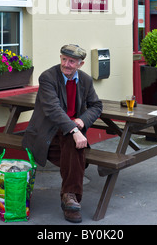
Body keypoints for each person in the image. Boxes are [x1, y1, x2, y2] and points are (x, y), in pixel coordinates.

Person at [22, 44, 102, 223]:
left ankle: (69, 197)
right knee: (76, 148)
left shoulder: (85, 80)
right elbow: (53, 109)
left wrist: (82, 120)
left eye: (72, 61)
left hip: (69, 134)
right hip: (45, 133)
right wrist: (75, 130)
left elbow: (97, 106)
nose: (66, 64)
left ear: (80, 64)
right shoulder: (48, 78)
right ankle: (71, 200)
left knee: (73, 146)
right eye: (64, 59)